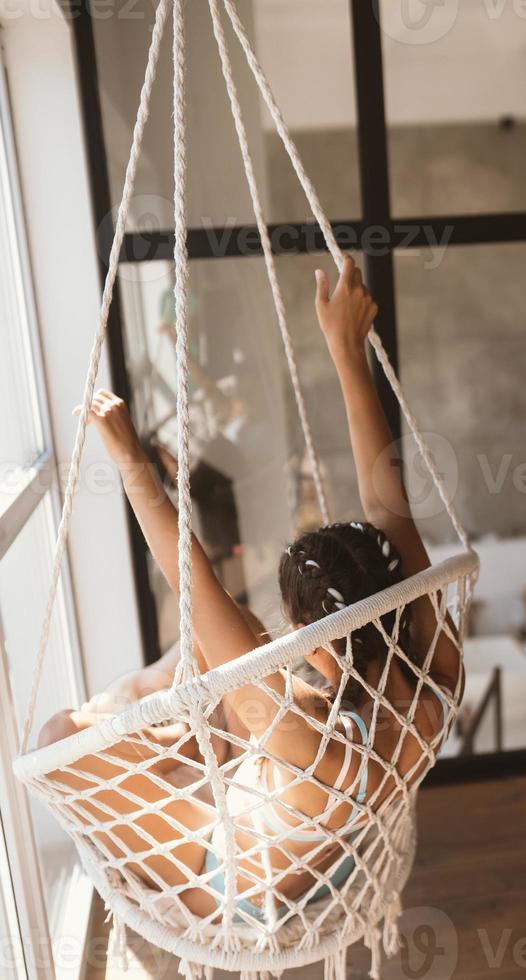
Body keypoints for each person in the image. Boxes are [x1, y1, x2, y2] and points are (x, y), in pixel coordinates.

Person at [37, 257, 463, 922]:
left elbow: (191, 577)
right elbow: (390, 513)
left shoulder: (302, 737)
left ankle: (154, 714)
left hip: (236, 880)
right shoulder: (435, 681)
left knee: (54, 740)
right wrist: (346, 351)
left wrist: (130, 460)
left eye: (298, 630)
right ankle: (171, 719)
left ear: (316, 644)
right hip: (336, 846)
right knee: (227, 636)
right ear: (394, 596)